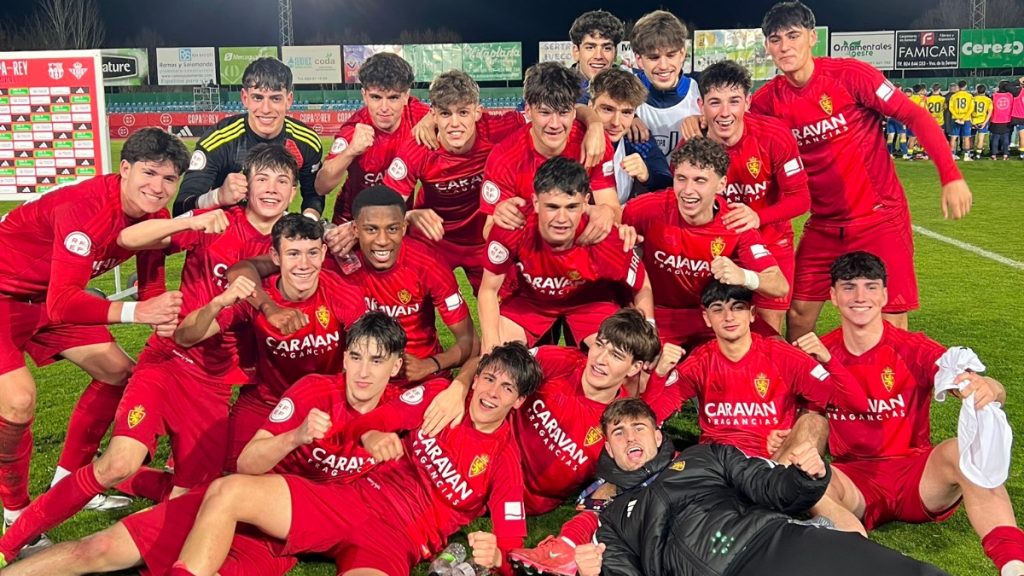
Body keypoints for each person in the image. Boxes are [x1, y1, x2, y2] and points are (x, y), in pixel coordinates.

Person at [0, 312, 444, 576]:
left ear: (396, 367)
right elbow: (249, 463)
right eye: (355, 356)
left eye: (376, 360)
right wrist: (298, 436)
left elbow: (484, 383)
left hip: (281, 536)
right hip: (241, 498)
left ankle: (142, 481)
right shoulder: (312, 391)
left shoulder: (410, 402)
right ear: (344, 356)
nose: (363, 372)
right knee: (96, 550)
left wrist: (457, 387)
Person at [168, 342, 542, 576]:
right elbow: (377, 419)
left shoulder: (505, 460)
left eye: (507, 388)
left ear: (519, 401)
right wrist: (373, 434)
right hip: (352, 498)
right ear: (475, 380)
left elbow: (512, 545)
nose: (492, 393)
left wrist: (498, 560)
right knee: (227, 491)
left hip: (396, 539)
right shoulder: (441, 397)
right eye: (489, 379)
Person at [0, 128, 188, 560]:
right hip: (9, 298)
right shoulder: (85, 207)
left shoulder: (154, 218)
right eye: (149, 173)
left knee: (119, 372)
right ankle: (14, 511)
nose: (158, 188)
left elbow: (150, 291)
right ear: (124, 169)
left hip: (47, 299)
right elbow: (66, 302)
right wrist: (135, 315)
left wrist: (167, 322)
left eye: (169, 179)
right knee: (18, 400)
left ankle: (69, 484)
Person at [788, 251, 1024, 574]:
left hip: (917, 478)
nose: (860, 297)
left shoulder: (912, 347)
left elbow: (970, 381)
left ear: (885, 295)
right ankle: (864, 558)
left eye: (871, 287)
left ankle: (1014, 565)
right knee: (811, 480)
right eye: (848, 287)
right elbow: (804, 419)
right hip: (854, 481)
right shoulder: (819, 355)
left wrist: (989, 388)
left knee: (965, 451)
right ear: (832, 295)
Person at [751, 0, 972, 340]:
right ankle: (806, 391)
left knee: (891, 320)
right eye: (775, 39)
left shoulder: (851, 75)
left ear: (811, 37)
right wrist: (697, 121)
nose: (784, 46)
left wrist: (951, 175)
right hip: (824, 225)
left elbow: (915, 116)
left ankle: (887, 392)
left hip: (878, 218)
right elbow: (734, 130)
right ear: (767, 45)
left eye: (792, 36)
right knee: (798, 314)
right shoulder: (767, 101)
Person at [572, 398, 952, 576]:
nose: (630, 437)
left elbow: (772, 487)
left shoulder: (707, 456)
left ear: (658, 436)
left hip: (774, 542)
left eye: (638, 427)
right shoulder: (613, 521)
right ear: (608, 448)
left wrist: (805, 476)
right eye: (618, 433)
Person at [110, 142, 300, 497]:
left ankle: (131, 481)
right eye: (262, 179)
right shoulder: (217, 223)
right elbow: (147, 242)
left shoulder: (295, 246)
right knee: (126, 460)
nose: (271, 189)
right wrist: (152, 298)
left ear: (293, 192)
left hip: (223, 377)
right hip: (174, 355)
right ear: (246, 184)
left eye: (281, 181)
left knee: (207, 489)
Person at [177, 213, 367, 469]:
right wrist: (218, 302)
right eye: (293, 254)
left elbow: (365, 359)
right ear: (276, 258)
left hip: (325, 404)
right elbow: (185, 336)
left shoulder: (344, 295)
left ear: (323, 253)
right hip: (266, 402)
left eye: (312, 253)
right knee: (233, 475)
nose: (304, 264)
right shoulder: (258, 297)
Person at [642, 279, 866, 461]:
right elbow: (649, 419)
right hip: (718, 463)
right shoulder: (700, 362)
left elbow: (856, 404)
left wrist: (829, 361)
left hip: (773, 463)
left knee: (815, 423)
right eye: (718, 310)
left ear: (752, 314)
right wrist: (659, 375)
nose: (728, 317)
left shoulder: (784, 357)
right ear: (706, 318)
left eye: (737, 308)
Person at [622, 138, 788, 351]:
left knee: (778, 352)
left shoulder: (735, 223)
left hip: (714, 316)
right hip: (658, 314)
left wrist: (743, 276)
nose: (687, 190)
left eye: (700, 181)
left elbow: (779, 285)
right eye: (681, 179)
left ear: (721, 184)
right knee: (637, 366)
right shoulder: (642, 211)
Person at [478, 157, 652, 352]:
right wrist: (490, 350)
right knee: (495, 359)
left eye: (571, 207)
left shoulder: (606, 237)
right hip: (530, 302)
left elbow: (641, 284)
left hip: (590, 303)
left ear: (586, 203)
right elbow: (488, 290)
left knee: (618, 357)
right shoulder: (512, 225)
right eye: (552, 207)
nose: (561, 219)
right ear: (535, 202)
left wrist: (650, 329)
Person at [692, 60, 810, 332]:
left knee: (767, 331)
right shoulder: (693, 148)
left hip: (772, 246)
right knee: (717, 330)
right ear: (701, 106)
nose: (724, 113)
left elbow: (801, 199)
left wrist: (758, 216)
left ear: (747, 102)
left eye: (734, 101)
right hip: (719, 253)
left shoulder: (774, 136)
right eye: (714, 102)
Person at [382, 70, 525, 293]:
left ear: (478, 112)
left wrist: (593, 123)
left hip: (483, 240)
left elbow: (551, 115)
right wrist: (408, 215)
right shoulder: (419, 148)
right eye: (446, 114)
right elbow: (384, 206)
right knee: (409, 305)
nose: (455, 123)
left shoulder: (497, 129)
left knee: (510, 313)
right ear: (434, 115)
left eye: (463, 112)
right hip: (433, 240)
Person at [482, 61, 617, 245]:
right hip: (529, 255)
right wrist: (501, 217)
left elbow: (613, 210)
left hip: (579, 253)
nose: (554, 124)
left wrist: (607, 213)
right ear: (528, 110)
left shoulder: (594, 143)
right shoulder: (504, 157)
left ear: (574, 112)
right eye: (545, 113)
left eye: (563, 113)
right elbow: (489, 231)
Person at [173, 58, 323, 219]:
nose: (266, 109)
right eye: (258, 97)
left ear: (289, 100)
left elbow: (313, 196)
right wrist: (218, 196)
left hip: (274, 235)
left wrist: (307, 224)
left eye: (276, 98)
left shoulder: (307, 142)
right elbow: (181, 208)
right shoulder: (218, 140)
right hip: (225, 235)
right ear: (245, 98)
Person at [315, 52, 430, 224]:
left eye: (393, 98)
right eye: (376, 97)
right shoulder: (354, 128)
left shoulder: (419, 117)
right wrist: (351, 151)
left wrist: (432, 119)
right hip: (350, 221)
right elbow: (321, 186)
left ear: (406, 96)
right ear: (364, 95)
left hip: (397, 220)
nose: (384, 107)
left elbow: (452, 111)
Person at [589, 68, 672, 203]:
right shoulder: (573, 136)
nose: (616, 122)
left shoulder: (635, 138)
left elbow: (667, 181)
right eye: (607, 109)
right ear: (590, 106)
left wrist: (647, 174)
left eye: (626, 112)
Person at [629, 10, 702, 156]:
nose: (663, 65)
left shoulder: (701, 90)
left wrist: (706, 121)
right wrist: (625, 119)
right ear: (639, 59)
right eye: (654, 57)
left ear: (682, 54)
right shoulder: (625, 92)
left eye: (671, 55)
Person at [569, 10, 625, 100]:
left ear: (615, 53)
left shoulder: (628, 89)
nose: (598, 56)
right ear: (576, 52)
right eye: (590, 47)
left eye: (607, 48)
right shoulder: (555, 90)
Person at [948, 80, 974, 161]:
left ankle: (952, 155)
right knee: (966, 137)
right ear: (965, 86)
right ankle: (966, 156)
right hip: (965, 119)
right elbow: (971, 108)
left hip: (955, 118)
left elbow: (950, 108)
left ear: (958, 87)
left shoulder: (953, 96)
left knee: (953, 137)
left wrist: (957, 117)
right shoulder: (969, 96)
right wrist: (963, 117)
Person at [990, 81, 1015, 160]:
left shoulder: (994, 96)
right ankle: (1005, 155)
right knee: (1005, 138)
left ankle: (994, 155)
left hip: (995, 120)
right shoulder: (1010, 96)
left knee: (995, 138)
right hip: (1006, 120)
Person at [972, 84, 993, 159]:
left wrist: (971, 122)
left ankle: (970, 153)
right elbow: (989, 113)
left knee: (971, 138)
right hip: (982, 120)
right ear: (985, 91)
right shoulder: (988, 100)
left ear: (977, 91)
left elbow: (970, 111)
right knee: (981, 138)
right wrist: (985, 123)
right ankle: (978, 154)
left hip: (973, 120)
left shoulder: (973, 99)